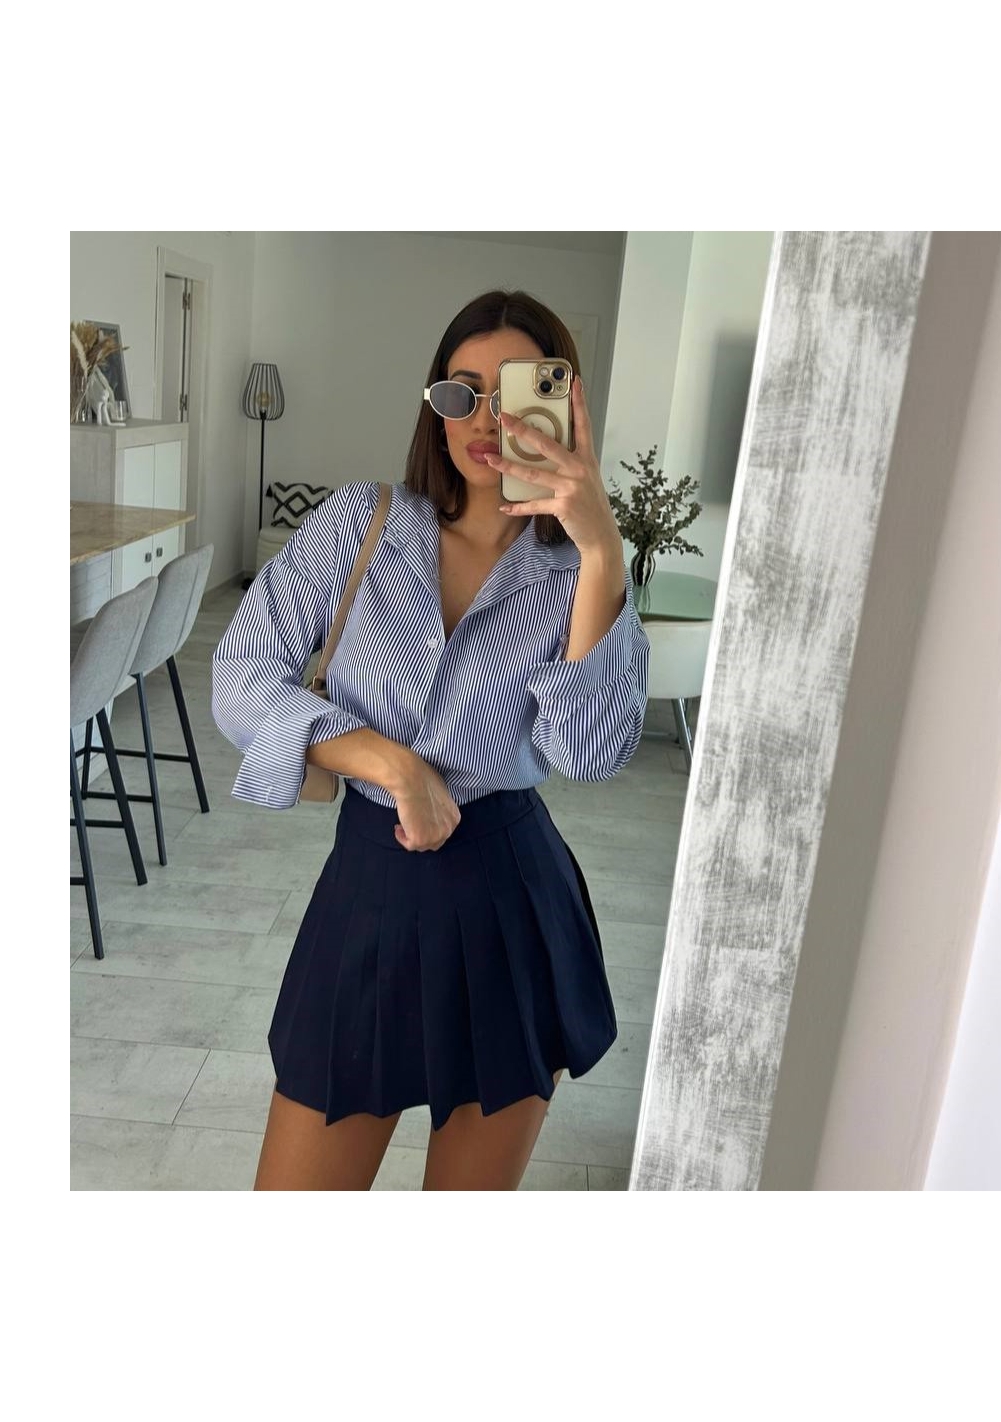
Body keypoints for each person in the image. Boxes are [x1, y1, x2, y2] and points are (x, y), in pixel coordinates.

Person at [212, 289, 650, 1190]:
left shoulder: (577, 572)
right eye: (461, 392)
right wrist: (386, 760)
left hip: (509, 904)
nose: (486, 419)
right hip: (366, 895)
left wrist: (602, 549)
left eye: (514, 391)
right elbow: (239, 679)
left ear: (564, 402)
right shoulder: (360, 525)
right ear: (435, 409)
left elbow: (588, 753)